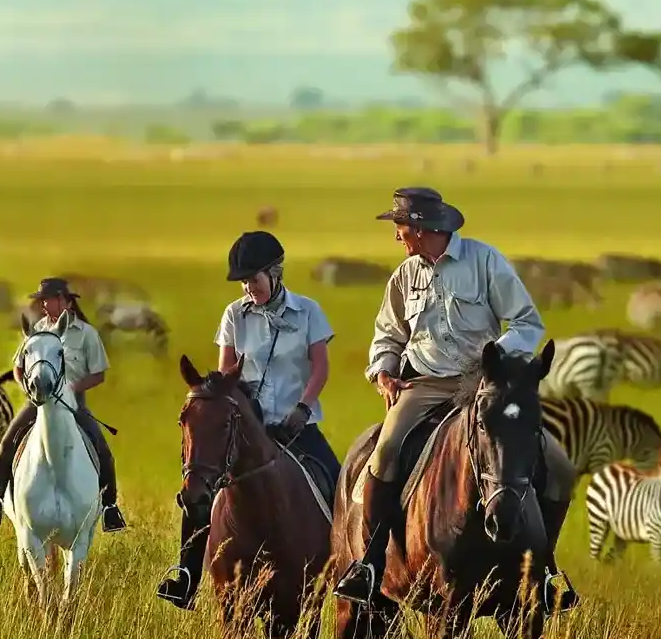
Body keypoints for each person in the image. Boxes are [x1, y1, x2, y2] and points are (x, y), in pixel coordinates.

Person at [332, 187, 579, 613]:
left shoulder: (485, 262)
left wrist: (496, 359)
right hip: (423, 386)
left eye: (401, 227)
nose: (397, 237)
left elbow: (527, 322)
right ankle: (369, 566)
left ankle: (545, 569)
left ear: (424, 228)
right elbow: (387, 335)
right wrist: (384, 371)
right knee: (384, 453)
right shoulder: (405, 275)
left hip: (483, 383)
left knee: (558, 465)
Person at [156, 229, 342, 610]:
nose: (247, 288)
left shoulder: (308, 312)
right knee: (200, 491)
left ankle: (353, 572)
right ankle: (186, 575)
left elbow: (320, 369)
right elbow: (227, 372)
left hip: (297, 426)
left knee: (340, 488)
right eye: (243, 282)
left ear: (275, 273)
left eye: (253, 280)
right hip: (248, 425)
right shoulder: (234, 315)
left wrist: (303, 409)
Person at [0, 278, 126, 532]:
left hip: (74, 403)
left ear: (65, 301)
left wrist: (72, 388)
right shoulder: (37, 329)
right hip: (38, 401)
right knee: (6, 443)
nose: (43, 305)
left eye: (48, 299)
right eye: (41, 300)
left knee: (103, 450)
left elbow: (99, 374)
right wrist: (25, 386)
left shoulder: (86, 334)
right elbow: (18, 366)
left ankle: (110, 508)